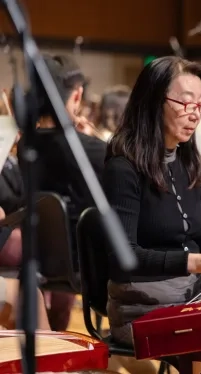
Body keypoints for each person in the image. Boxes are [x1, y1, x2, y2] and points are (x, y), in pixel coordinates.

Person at [102, 56, 201, 346]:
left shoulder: (188, 159)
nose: (196, 115)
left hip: (193, 296)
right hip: (142, 308)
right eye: (186, 103)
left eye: (200, 105)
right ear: (153, 101)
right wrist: (194, 262)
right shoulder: (123, 167)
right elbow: (122, 256)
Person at [17, 54, 107, 331]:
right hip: (88, 265)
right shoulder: (94, 150)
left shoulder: (24, 148)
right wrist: (99, 141)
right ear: (77, 95)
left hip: (40, 259)